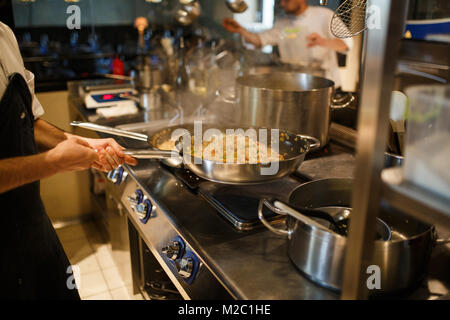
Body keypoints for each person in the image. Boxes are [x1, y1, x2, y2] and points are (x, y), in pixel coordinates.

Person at [0, 21, 137, 299]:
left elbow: (28, 120)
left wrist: (81, 143)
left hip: (32, 222)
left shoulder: (4, 34)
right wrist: (53, 162)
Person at [222, 0, 353, 88]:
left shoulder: (325, 15)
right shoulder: (282, 22)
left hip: (325, 85)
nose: (282, 4)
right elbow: (260, 40)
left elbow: (346, 44)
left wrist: (324, 42)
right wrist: (240, 30)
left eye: (286, 0)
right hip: (295, 83)